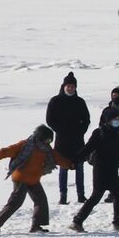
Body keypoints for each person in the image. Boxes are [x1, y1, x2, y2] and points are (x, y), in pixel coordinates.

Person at [0, 125, 75, 234]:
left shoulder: (46, 149)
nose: (48, 142)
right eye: (47, 140)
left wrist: (69, 164)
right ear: (40, 137)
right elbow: (7, 151)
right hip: (21, 178)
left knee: (41, 201)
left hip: (33, 179)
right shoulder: (25, 145)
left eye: (50, 140)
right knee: (15, 202)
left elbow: (57, 158)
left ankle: (36, 226)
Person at [71, 112, 119, 231]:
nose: (117, 121)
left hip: (113, 170)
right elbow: (88, 148)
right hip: (101, 171)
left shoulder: (117, 134)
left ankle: (117, 223)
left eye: (118, 119)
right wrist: (76, 160)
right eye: (115, 119)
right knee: (96, 196)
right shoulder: (99, 133)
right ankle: (77, 221)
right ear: (108, 120)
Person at [46, 73, 90, 205]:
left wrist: (81, 131)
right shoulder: (55, 101)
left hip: (77, 140)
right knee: (63, 167)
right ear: (63, 87)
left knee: (79, 166)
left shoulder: (80, 102)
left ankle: (81, 195)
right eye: (68, 86)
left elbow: (86, 120)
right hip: (62, 140)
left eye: (72, 86)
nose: (70, 89)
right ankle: (63, 195)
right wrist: (60, 130)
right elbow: (50, 119)